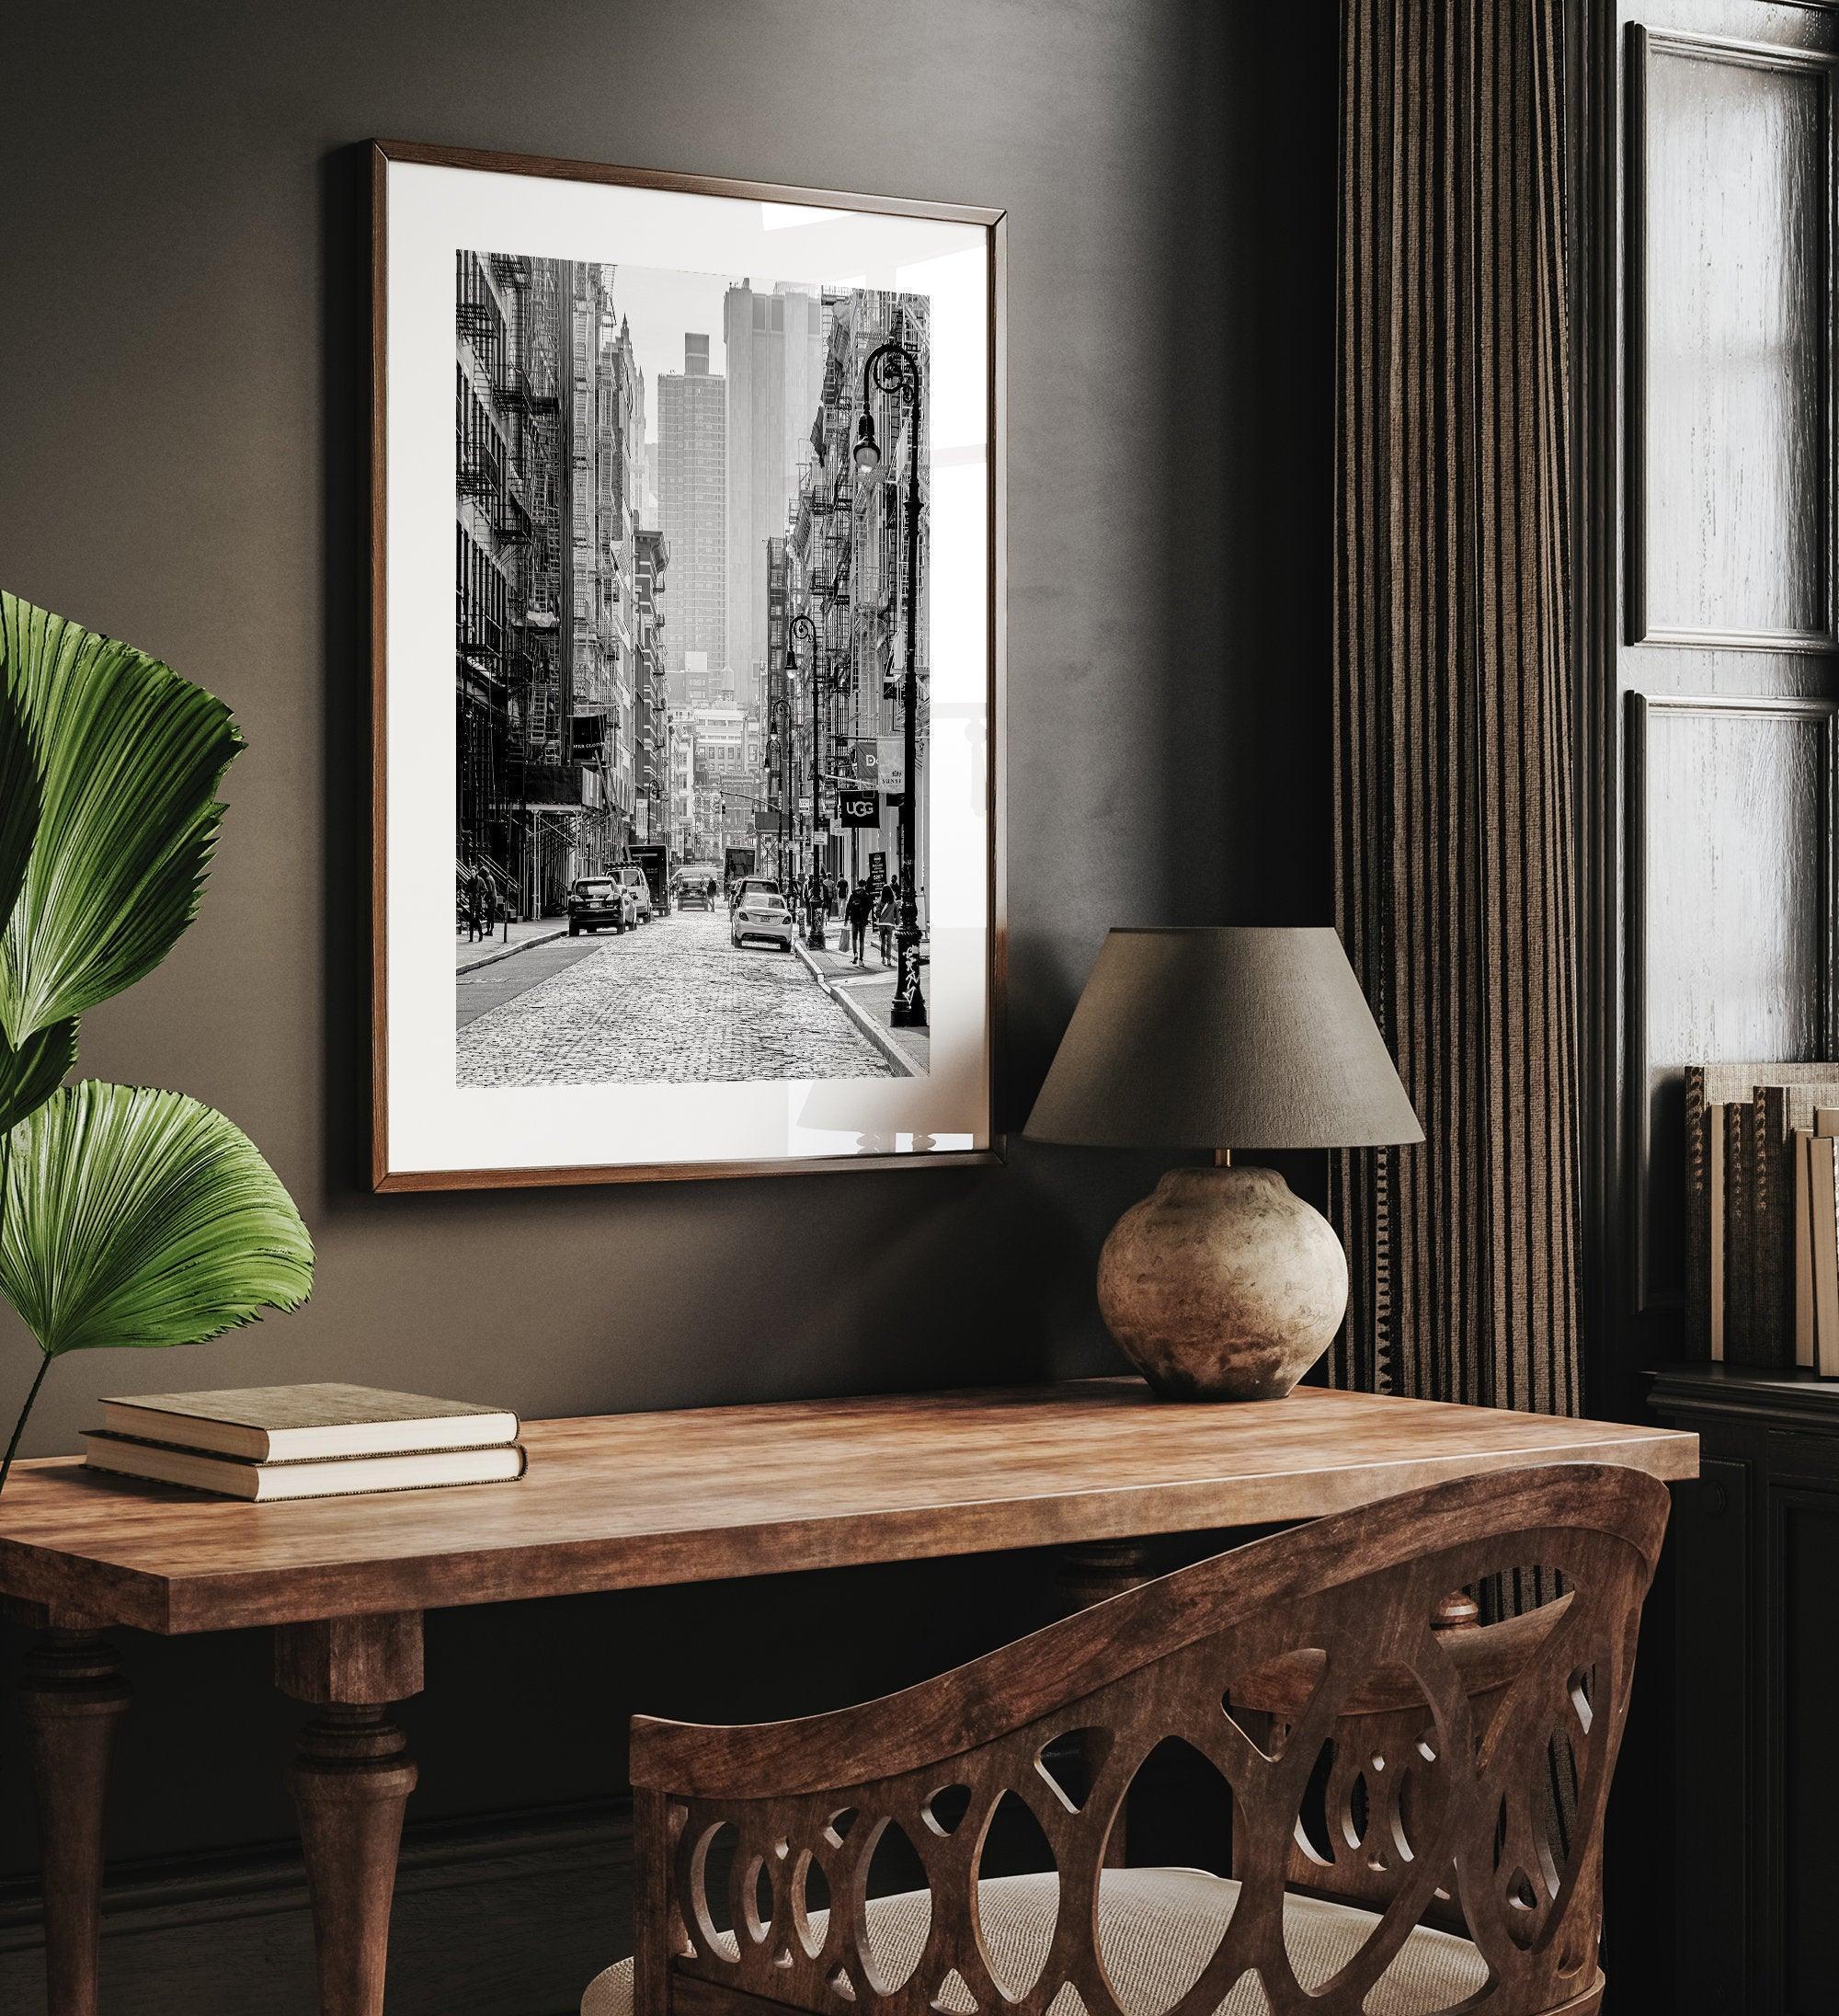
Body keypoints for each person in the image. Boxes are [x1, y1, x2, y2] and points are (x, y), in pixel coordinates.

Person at [845, 879, 874, 966]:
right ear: (864, 886)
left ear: (857, 885)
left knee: (854, 938)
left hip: (854, 919)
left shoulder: (853, 894)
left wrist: (846, 919)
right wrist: (866, 916)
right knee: (861, 939)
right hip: (863, 920)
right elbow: (870, 906)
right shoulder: (866, 895)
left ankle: (855, 954)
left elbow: (848, 906)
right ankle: (861, 960)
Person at [874, 882, 897, 966]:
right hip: (890, 924)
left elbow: (877, 914)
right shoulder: (893, 902)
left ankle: (883, 958)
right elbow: (896, 913)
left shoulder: (880, 901)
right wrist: (897, 923)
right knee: (889, 943)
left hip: (882, 924)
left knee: (883, 942)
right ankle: (889, 960)